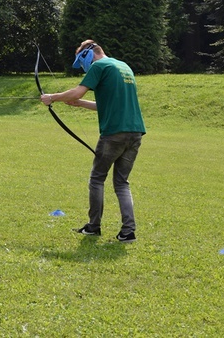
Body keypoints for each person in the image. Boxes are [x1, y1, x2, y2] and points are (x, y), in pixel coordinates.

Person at [40, 40, 146, 243]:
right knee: (121, 183)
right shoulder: (123, 66)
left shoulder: (99, 65)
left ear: (88, 55)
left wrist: (52, 97)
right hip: (135, 132)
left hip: (114, 133)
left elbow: (78, 90)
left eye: (81, 63)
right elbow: (106, 104)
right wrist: (80, 104)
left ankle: (93, 226)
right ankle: (128, 232)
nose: (82, 68)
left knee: (97, 179)